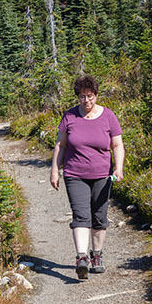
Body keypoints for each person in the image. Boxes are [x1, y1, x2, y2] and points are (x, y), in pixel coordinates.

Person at [49, 74, 125, 280]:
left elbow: (117, 144)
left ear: (96, 95)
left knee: (99, 217)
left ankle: (96, 255)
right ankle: (82, 258)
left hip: (102, 175)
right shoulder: (69, 117)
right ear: (78, 97)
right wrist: (55, 170)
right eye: (82, 96)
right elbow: (60, 145)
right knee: (81, 216)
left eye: (90, 96)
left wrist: (118, 168)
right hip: (75, 174)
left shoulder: (108, 116)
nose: (86, 100)